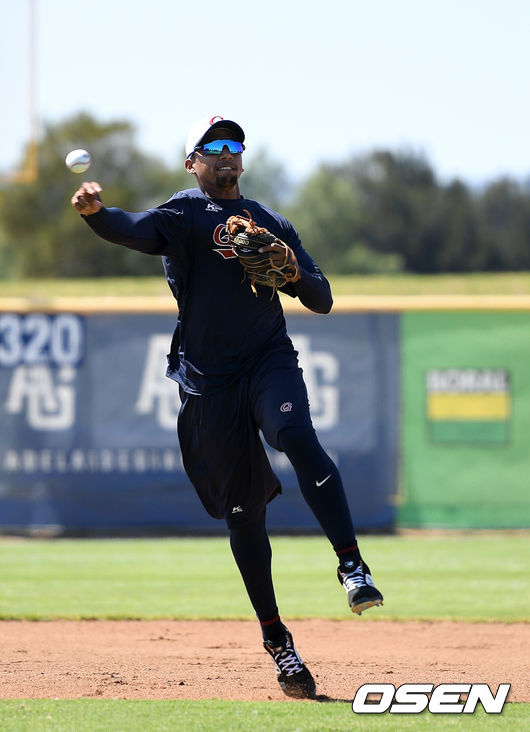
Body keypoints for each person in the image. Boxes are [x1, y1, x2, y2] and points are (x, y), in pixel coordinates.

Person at [71, 115, 383, 700]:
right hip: (208, 383)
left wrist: (289, 269)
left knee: (295, 435)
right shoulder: (184, 213)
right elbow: (133, 229)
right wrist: (95, 214)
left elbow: (322, 297)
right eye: (213, 147)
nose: (227, 155)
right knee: (244, 516)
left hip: (266, 359)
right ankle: (278, 641)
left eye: (235, 146)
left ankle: (352, 565)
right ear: (193, 161)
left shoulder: (269, 221)